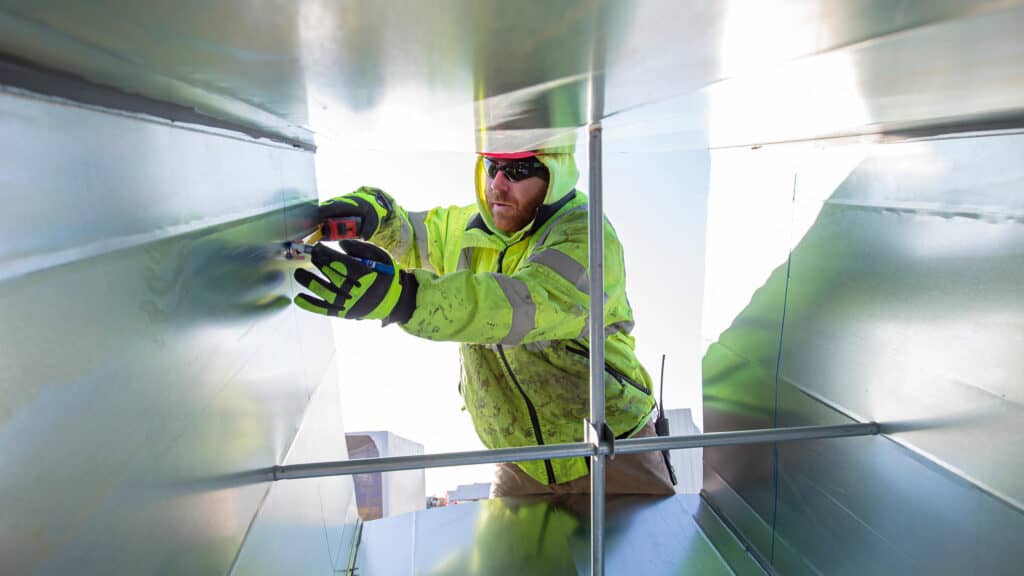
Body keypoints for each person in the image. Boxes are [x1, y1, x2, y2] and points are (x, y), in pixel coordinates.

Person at [292, 145, 674, 496]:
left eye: (519, 170)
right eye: (493, 168)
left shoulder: (586, 235)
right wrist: (378, 215)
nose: (498, 185)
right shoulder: (469, 228)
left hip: (612, 449)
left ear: (555, 174)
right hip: (520, 464)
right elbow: (412, 234)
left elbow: (519, 307)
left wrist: (405, 298)